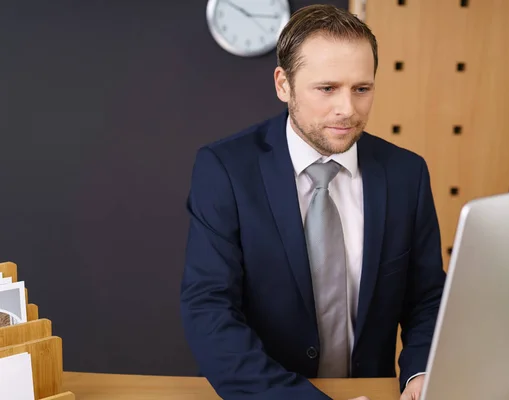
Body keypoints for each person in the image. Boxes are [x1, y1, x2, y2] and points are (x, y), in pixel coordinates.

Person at [180, 4, 446, 400]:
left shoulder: (407, 174)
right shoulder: (225, 170)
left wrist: (421, 372)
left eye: (362, 89)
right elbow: (209, 311)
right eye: (327, 88)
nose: (348, 109)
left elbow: (427, 298)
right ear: (283, 85)